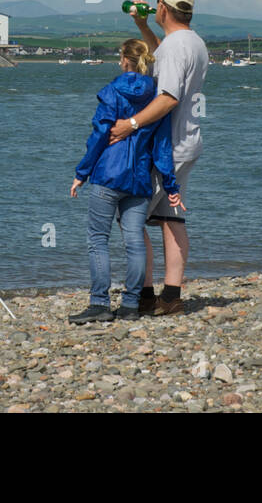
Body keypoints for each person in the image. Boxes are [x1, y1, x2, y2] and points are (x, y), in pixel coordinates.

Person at [109, 0, 207, 316]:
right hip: (187, 141)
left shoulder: (179, 46)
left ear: (162, 7)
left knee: (132, 216)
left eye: (156, 5)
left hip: (169, 145)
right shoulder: (191, 41)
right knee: (170, 217)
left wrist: (130, 124)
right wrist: (141, 26)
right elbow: (160, 55)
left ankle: (145, 293)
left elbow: (168, 97)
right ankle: (172, 296)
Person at [68, 39, 181, 324]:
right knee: (134, 242)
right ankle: (130, 305)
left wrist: (81, 174)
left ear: (124, 60)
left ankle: (99, 303)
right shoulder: (157, 99)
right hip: (139, 180)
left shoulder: (112, 92)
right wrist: (171, 186)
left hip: (108, 176)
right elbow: (162, 147)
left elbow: (99, 137)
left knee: (98, 239)